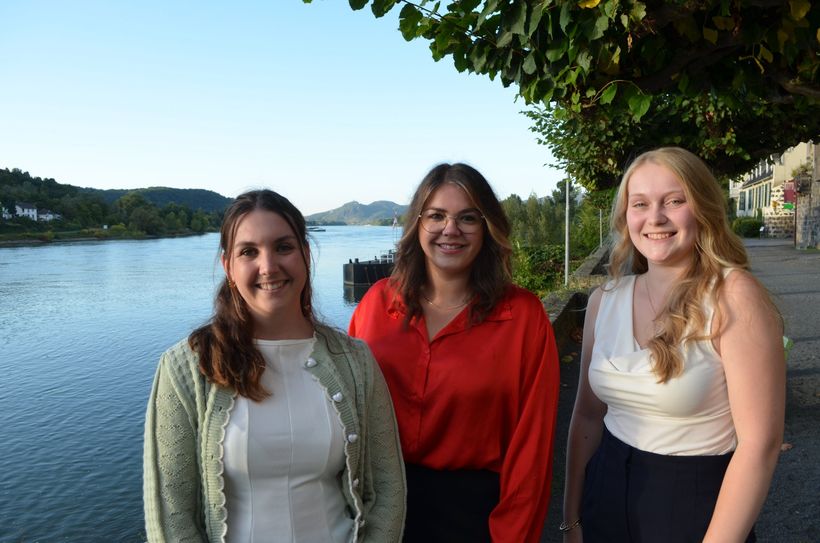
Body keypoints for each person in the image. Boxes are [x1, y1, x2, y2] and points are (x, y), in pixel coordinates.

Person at [143, 189, 405, 542]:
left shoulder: (355, 361)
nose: (269, 266)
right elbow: (171, 516)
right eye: (249, 251)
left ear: (305, 256)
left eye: (283, 247)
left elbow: (388, 488)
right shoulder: (187, 368)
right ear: (228, 268)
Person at [562, 147, 785, 542]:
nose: (655, 218)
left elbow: (759, 446)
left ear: (702, 208)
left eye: (674, 201)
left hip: (692, 509)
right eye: (640, 204)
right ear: (625, 216)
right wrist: (572, 521)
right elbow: (587, 418)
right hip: (605, 497)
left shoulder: (733, 297)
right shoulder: (605, 300)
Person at [348, 163, 560, 543]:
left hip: (474, 518)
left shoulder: (523, 317)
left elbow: (533, 450)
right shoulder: (377, 304)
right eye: (437, 216)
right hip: (378, 511)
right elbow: (343, 413)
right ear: (418, 224)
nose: (451, 229)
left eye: (468, 218)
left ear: (487, 228)